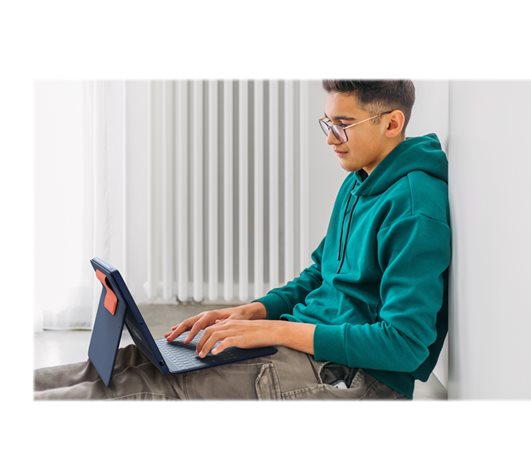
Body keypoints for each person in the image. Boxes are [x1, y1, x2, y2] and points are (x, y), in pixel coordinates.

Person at [34, 80, 451, 400]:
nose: (330, 138)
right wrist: (251, 312)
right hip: (303, 344)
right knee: (128, 363)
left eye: (343, 126)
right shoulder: (359, 180)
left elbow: (405, 345)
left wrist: (275, 331)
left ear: (392, 123)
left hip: (354, 378)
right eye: (328, 123)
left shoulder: (415, 208)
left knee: (143, 389)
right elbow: (320, 275)